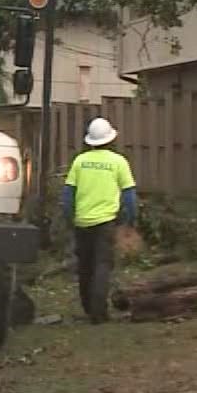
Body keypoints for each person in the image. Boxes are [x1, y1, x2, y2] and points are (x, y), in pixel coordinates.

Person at [59, 117, 137, 324]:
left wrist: (70, 218)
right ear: (111, 139)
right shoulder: (118, 162)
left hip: (82, 221)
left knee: (85, 266)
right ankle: (99, 313)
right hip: (106, 222)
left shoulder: (80, 161)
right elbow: (129, 196)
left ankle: (87, 307)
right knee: (102, 265)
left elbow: (68, 195)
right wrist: (129, 220)